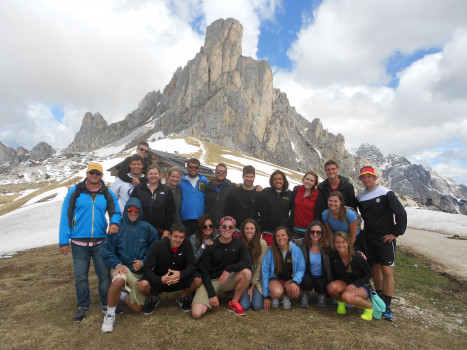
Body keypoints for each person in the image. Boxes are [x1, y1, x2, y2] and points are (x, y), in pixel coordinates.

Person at [59, 162, 121, 322]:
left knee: (104, 276)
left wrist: (114, 223)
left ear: (101, 175)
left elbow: (116, 212)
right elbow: (65, 217)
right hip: (78, 242)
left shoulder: (107, 193)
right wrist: (63, 241)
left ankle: (107, 304)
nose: (94, 175)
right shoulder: (75, 191)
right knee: (80, 276)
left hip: (100, 241)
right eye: (92, 172)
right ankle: (82, 306)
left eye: (98, 173)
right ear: (87, 173)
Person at [101, 197, 159, 333]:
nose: (133, 212)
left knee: (137, 309)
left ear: (140, 212)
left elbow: (154, 249)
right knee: (119, 279)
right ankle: (109, 315)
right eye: (130, 210)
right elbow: (107, 251)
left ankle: (120, 294)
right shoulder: (117, 227)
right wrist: (117, 264)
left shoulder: (147, 228)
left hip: (139, 272)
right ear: (126, 210)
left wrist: (144, 262)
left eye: (136, 210)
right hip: (123, 267)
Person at [357, 166, 407, 321]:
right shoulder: (360, 197)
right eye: (363, 177)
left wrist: (396, 233)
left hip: (385, 238)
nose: (366, 180)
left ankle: (388, 304)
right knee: (375, 268)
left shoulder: (386, 193)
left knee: (387, 270)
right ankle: (378, 298)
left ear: (375, 177)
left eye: (369, 177)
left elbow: (401, 213)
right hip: (369, 238)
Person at [191, 216, 252, 318]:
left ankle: (233, 304)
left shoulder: (239, 244)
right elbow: (204, 271)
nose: (227, 229)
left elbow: (247, 263)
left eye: (230, 227)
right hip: (211, 281)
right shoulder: (210, 246)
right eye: (224, 226)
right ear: (220, 228)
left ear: (234, 229)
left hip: (227, 279)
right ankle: (206, 297)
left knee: (247, 272)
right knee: (196, 314)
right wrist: (211, 294)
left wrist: (229, 269)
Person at [138, 223, 202, 314]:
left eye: (181, 237)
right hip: (161, 279)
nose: (178, 240)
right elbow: (146, 268)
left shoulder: (187, 243)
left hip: (179, 279)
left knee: (198, 280)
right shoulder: (158, 246)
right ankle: (154, 299)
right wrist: (160, 279)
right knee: (141, 285)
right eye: (175, 236)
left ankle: (182, 297)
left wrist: (181, 274)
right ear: (169, 236)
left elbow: (192, 264)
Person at [327, 231, 374, 320]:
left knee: (347, 296)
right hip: (346, 283)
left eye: (343, 242)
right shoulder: (333, 257)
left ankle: (369, 307)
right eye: (338, 242)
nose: (340, 245)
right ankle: (341, 302)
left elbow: (370, 274)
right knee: (331, 287)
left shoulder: (357, 257)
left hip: (362, 285)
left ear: (348, 243)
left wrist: (355, 284)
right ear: (334, 244)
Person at [261, 227, 305, 310]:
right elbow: (265, 272)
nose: (281, 238)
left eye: (283, 235)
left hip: (289, 280)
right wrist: (266, 296)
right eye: (278, 236)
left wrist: (295, 281)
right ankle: (275, 296)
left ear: (288, 236)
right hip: (275, 280)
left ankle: (286, 296)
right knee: (277, 292)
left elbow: (301, 269)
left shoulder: (296, 250)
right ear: (275, 238)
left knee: (295, 293)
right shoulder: (271, 251)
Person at [130, 164, 175, 238]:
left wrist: (167, 230)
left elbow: (170, 211)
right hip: (140, 229)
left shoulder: (166, 190)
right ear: (147, 175)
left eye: (155, 173)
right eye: (150, 174)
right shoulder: (139, 189)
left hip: (159, 231)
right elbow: (131, 206)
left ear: (159, 175)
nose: (153, 176)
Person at [300, 220, 332, 308]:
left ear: (322, 233)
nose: (315, 234)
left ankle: (321, 295)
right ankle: (305, 295)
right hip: (308, 275)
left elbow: (342, 249)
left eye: (318, 232)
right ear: (308, 233)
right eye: (312, 231)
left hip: (322, 276)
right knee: (305, 279)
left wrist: (358, 252)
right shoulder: (303, 245)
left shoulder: (328, 246)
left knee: (321, 282)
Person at [224, 165, 262, 237]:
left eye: (251, 177)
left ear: (254, 177)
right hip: (236, 230)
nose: (249, 179)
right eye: (247, 176)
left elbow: (263, 213)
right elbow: (228, 211)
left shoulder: (259, 194)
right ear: (243, 176)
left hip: (251, 231)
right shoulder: (234, 192)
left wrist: (258, 228)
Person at [238, 219, 268, 311]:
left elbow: (259, 266)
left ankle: (255, 291)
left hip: (256, 279)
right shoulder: (239, 242)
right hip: (244, 278)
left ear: (256, 230)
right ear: (243, 230)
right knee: (244, 306)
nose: (249, 231)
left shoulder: (262, 243)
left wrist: (252, 287)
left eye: (252, 228)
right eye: (247, 228)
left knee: (257, 306)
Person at [259, 170, 292, 246]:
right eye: (275, 179)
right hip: (268, 231)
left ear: (284, 180)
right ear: (272, 181)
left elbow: (294, 211)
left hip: (283, 233)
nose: (278, 181)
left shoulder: (290, 194)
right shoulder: (266, 192)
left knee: (281, 255)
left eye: (280, 179)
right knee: (268, 254)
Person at [290, 171, 320, 247]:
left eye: (311, 180)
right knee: (296, 253)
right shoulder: (296, 190)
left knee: (307, 254)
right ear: (303, 179)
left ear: (314, 183)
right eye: (307, 179)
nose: (308, 182)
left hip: (310, 231)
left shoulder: (318, 195)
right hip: (295, 229)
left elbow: (319, 213)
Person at [179, 158, 208, 236]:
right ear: (187, 167)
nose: (193, 169)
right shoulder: (181, 180)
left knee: (198, 242)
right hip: (185, 218)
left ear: (199, 168)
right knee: (186, 243)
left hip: (200, 219)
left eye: (196, 167)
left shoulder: (204, 180)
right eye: (191, 167)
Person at [205, 163, 237, 230]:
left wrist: (258, 187)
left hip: (225, 225)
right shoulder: (208, 186)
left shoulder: (232, 187)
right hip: (210, 224)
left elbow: (245, 188)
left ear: (226, 173)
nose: (221, 173)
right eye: (218, 171)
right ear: (215, 173)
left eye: (223, 172)